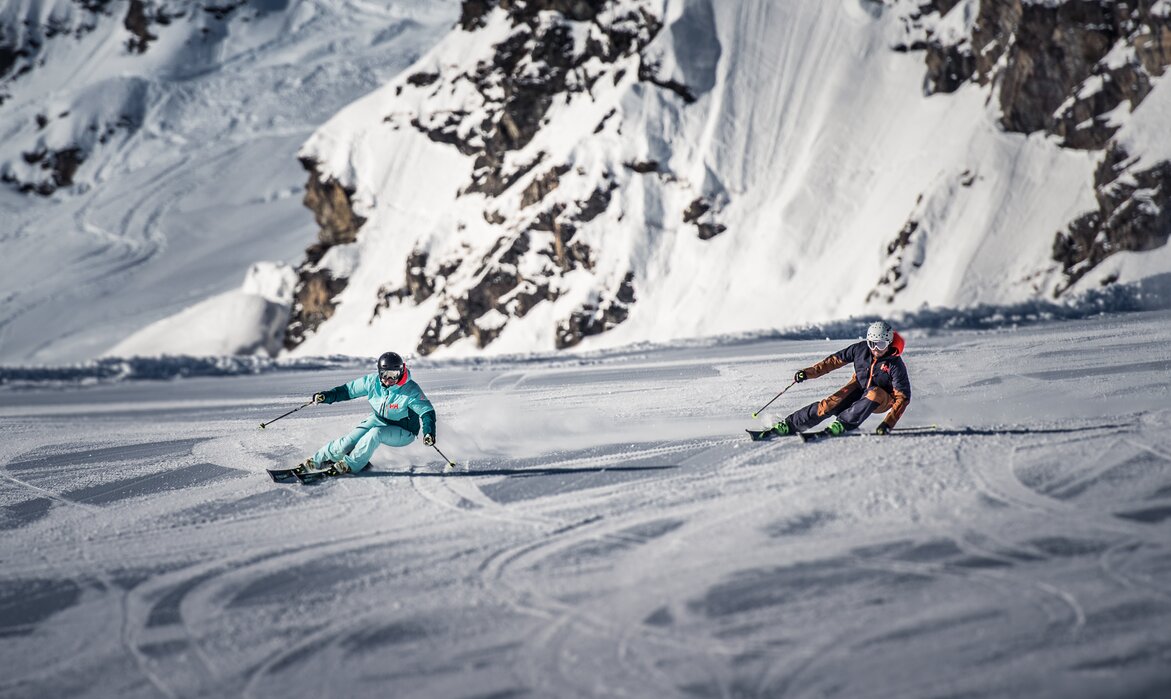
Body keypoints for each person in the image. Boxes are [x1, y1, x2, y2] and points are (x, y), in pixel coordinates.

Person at [300, 351, 437, 474]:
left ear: (401, 372)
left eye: (393, 375)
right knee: (347, 442)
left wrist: (429, 432)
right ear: (379, 372)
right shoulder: (372, 382)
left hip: (405, 430)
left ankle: (351, 465)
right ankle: (316, 461)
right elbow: (348, 390)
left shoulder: (410, 390)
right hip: (379, 419)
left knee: (375, 433)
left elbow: (426, 412)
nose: (389, 380)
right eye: (385, 375)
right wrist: (327, 396)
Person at [771, 320, 911, 437]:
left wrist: (887, 424)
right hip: (860, 389)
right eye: (871, 344)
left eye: (880, 345)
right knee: (830, 404)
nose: (875, 349)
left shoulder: (895, 364)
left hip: (882, 400)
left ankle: (843, 424)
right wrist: (808, 373)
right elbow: (833, 361)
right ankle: (790, 425)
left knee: (875, 393)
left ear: (888, 343)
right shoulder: (860, 350)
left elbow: (903, 397)